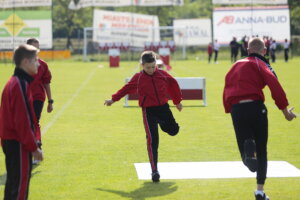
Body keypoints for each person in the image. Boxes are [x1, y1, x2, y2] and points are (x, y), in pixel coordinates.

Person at [223, 37, 296, 200]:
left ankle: (248, 150)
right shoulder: (261, 63)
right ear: (265, 51)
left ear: (247, 50)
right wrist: (285, 111)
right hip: (256, 108)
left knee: (246, 150)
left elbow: (227, 86)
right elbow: (274, 84)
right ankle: (260, 191)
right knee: (262, 151)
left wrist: (229, 109)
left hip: (237, 109)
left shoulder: (235, 65)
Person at [104, 51, 183, 183]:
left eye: (153, 67)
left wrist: (177, 101)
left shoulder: (162, 74)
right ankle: (154, 171)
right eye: (148, 67)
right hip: (148, 111)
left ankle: (163, 124)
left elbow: (173, 85)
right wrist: (113, 99)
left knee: (174, 131)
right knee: (152, 140)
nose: (151, 70)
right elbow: (126, 89)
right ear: (142, 66)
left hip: (163, 109)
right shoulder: (138, 78)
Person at [0, 44, 44, 200]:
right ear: (25, 62)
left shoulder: (16, 82)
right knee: (19, 187)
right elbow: (23, 121)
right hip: (17, 143)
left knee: (13, 185)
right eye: (36, 60)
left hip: (12, 142)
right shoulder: (19, 84)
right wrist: (34, 147)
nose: (38, 63)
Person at [26, 38, 53, 164]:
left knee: (34, 122)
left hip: (37, 98)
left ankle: (37, 150)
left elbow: (47, 83)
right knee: (25, 124)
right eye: (34, 47)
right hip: (24, 97)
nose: (37, 50)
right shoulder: (23, 64)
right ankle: (28, 150)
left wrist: (50, 101)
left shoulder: (42, 65)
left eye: (38, 47)